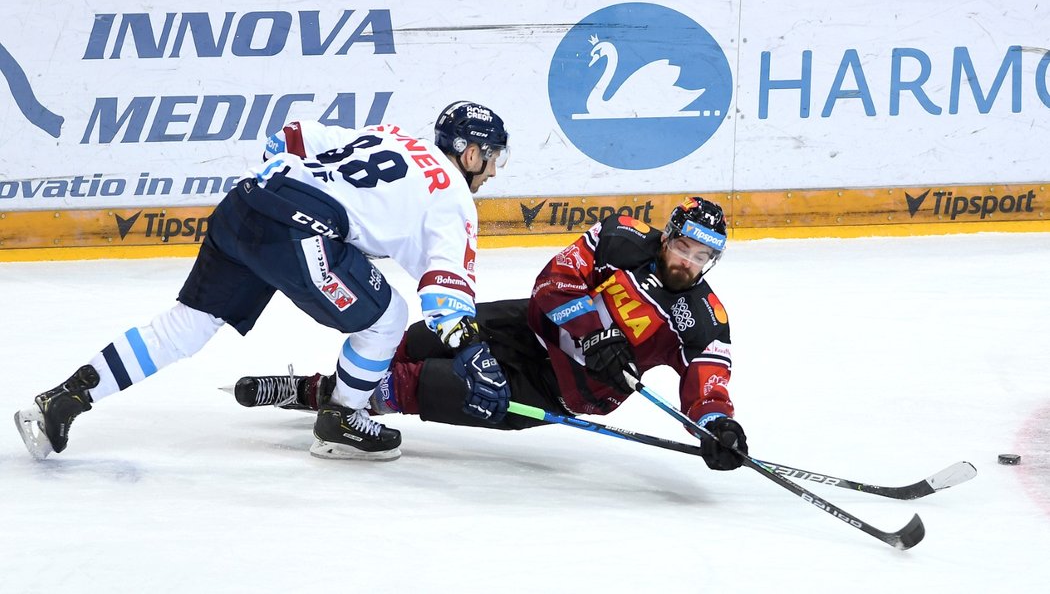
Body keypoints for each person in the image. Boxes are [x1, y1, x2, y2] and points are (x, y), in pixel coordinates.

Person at [14, 101, 511, 462]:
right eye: (493, 159)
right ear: (470, 154)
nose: (493, 173)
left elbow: (295, 136)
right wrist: (471, 351)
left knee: (185, 326)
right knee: (389, 318)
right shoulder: (453, 199)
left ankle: (65, 399)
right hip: (300, 231)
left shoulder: (393, 134)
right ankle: (341, 420)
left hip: (247, 201)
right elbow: (446, 298)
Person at [234, 197, 749, 471]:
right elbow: (553, 283)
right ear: (670, 235)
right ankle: (324, 389)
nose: (688, 262)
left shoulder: (705, 317)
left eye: (703, 257)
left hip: (561, 387)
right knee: (416, 341)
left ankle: (321, 396)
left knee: (427, 384)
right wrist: (595, 333)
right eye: (684, 247)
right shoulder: (622, 236)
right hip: (529, 325)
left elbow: (707, 383)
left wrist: (716, 426)